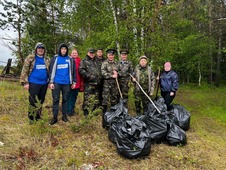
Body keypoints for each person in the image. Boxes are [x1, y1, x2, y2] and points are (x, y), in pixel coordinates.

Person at [20, 42, 49, 124]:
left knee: (40, 101)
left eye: (42, 48)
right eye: (39, 48)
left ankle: (38, 117)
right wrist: (25, 82)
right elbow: (24, 70)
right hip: (33, 83)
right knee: (33, 101)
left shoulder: (46, 59)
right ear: (36, 49)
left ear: (44, 50)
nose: (40, 50)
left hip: (44, 83)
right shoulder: (31, 58)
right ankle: (31, 118)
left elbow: (49, 70)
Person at [49, 43, 76, 125]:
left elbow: (74, 71)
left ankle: (64, 116)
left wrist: (74, 82)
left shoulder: (70, 59)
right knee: (56, 99)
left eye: (65, 49)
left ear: (67, 50)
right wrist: (51, 82)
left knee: (65, 99)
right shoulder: (55, 58)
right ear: (60, 50)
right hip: (56, 82)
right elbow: (50, 70)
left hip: (67, 83)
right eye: (62, 49)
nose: (63, 50)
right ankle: (55, 117)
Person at [79, 48, 102, 117]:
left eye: (93, 53)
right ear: (88, 53)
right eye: (90, 53)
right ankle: (86, 112)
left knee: (96, 98)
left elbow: (101, 69)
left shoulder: (97, 61)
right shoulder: (84, 61)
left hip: (97, 83)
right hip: (89, 83)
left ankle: (94, 111)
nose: (92, 54)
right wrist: (88, 76)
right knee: (87, 98)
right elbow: (81, 70)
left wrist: (100, 77)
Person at [101, 49, 119, 128]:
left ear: (113, 56)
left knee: (114, 100)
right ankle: (104, 117)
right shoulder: (104, 63)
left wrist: (117, 73)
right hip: (107, 85)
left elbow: (119, 71)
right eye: (109, 55)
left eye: (112, 55)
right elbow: (103, 73)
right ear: (107, 55)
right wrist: (112, 75)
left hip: (115, 85)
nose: (111, 56)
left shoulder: (116, 63)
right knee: (105, 100)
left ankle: (113, 116)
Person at [67, 49, 83, 116]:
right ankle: (68, 111)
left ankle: (72, 109)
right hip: (70, 82)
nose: (74, 54)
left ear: (77, 54)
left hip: (78, 82)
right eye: (73, 53)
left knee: (74, 96)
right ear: (71, 54)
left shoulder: (80, 62)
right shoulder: (68, 61)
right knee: (69, 97)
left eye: (75, 53)